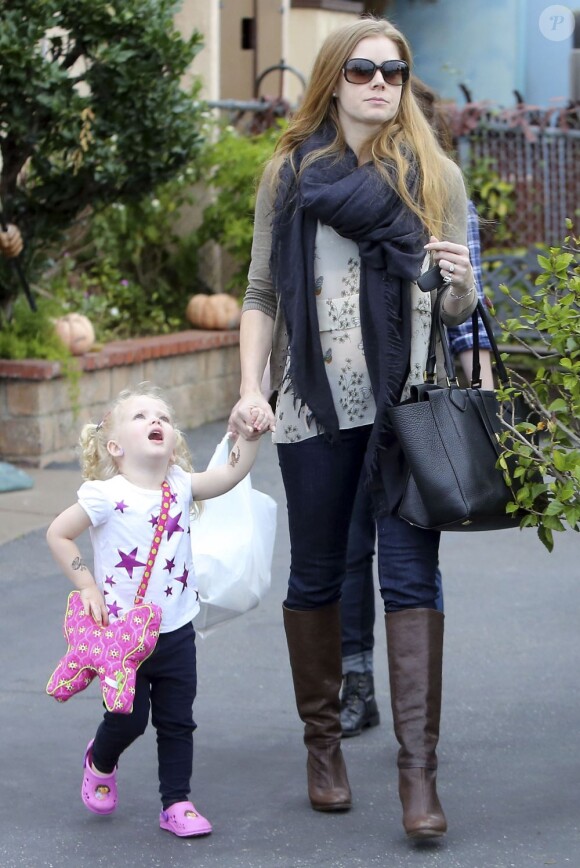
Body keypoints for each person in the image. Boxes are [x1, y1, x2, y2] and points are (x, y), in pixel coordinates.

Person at [229, 16, 479, 839]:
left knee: (411, 581)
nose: (381, 83)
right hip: (313, 408)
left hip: (407, 410)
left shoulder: (433, 174)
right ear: (334, 79)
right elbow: (263, 290)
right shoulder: (291, 175)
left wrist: (460, 287)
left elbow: (453, 313)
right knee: (319, 574)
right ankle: (324, 749)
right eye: (365, 70)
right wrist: (249, 387)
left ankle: (418, 779)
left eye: (395, 71)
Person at [339, 78, 495, 738]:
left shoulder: (445, 196)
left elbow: (464, 317)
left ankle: (410, 715)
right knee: (347, 550)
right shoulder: (336, 190)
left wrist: (485, 405)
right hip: (344, 400)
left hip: (413, 401)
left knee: (409, 555)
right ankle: (356, 681)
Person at [46, 383, 263, 838]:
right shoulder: (104, 494)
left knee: (177, 721)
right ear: (115, 447)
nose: (156, 422)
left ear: (172, 441)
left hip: (176, 632)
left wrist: (251, 435)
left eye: (162, 416)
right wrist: (87, 585)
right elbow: (58, 534)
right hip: (122, 639)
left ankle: (176, 802)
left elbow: (228, 475)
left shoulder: (181, 485)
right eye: (141, 417)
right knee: (128, 718)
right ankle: (100, 759)